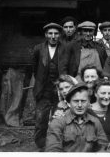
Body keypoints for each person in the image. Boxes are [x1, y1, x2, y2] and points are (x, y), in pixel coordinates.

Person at [46, 83, 109, 152]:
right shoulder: (58, 122)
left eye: (83, 101)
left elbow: (103, 146)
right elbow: (52, 151)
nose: (79, 105)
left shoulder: (95, 122)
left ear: (88, 102)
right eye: (76, 101)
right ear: (69, 103)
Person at [32, 22, 65, 150]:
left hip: (59, 90)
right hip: (43, 89)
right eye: (50, 33)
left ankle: (57, 145)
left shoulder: (64, 48)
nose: (53, 36)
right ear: (46, 35)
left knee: (59, 118)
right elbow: (35, 69)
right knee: (41, 120)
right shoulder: (38, 49)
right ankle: (41, 146)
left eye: (56, 33)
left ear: (59, 35)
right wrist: (41, 82)